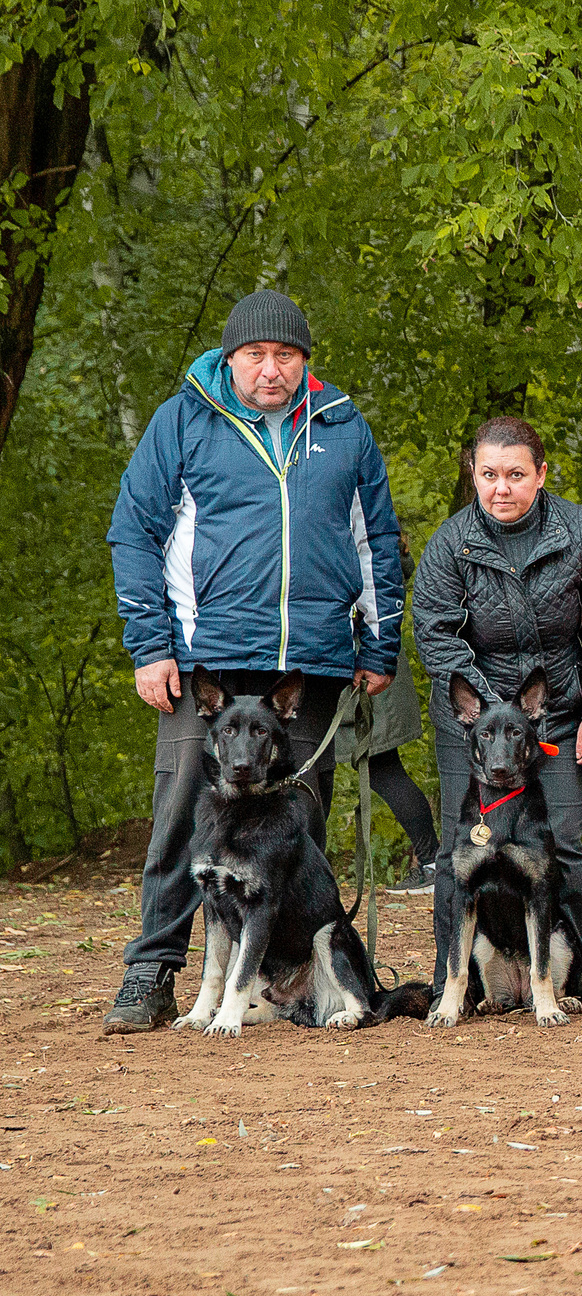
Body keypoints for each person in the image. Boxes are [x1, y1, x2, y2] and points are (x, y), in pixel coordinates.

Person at [101, 289, 403, 1034]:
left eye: (286, 355)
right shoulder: (184, 420)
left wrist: (378, 642)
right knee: (181, 821)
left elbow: (378, 543)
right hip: (204, 661)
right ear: (230, 357)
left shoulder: (342, 426)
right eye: (256, 355)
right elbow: (133, 533)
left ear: (305, 359)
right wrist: (149, 646)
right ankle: (151, 972)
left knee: (297, 832)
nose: (271, 369)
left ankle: (292, 979)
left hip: (312, 665)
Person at [412, 417, 582, 1006]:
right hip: (473, 727)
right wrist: (494, 715)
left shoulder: (579, 533)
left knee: (563, 842)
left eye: (515, 474)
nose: (501, 487)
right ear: (474, 475)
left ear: (540, 474)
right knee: (458, 850)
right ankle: (449, 980)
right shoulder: (450, 543)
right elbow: (436, 634)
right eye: (488, 475)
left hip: (556, 714)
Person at [335, 534, 442, 896]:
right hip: (366, 674)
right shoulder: (375, 551)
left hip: (368, 677)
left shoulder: (367, 557)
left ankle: (432, 861)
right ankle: (433, 861)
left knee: (384, 772)